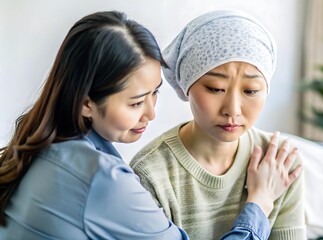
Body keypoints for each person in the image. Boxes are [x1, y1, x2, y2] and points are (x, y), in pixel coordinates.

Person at [0, 10, 301, 240]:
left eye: (155, 92)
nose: (151, 114)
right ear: (86, 102)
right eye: (136, 102)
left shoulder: (42, 148)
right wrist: (260, 201)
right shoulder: (105, 180)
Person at [130, 9, 306, 240]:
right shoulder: (150, 175)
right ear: (187, 85)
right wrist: (260, 201)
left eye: (251, 91)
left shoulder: (280, 162)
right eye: (215, 88)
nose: (232, 109)